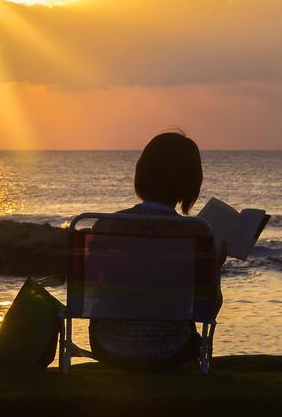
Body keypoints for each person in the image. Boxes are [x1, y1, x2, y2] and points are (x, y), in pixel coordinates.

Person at [89, 130, 222, 372]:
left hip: (108, 343)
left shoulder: (106, 225)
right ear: (190, 182)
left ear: (142, 172)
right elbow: (209, 308)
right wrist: (215, 267)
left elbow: (93, 295)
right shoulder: (198, 233)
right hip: (174, 348)